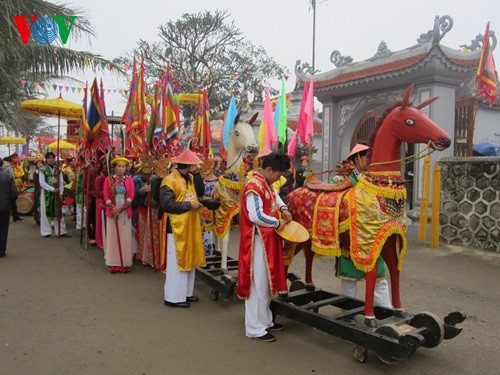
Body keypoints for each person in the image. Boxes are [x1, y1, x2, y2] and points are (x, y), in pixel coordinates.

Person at [237, 152, 292, 342]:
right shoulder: (253, 185)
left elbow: (276, 198)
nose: (280, 178)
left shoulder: (265, 183)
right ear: (269, 170)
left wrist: (284, 209)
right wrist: (277, 223)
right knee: (257, 284)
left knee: (267, 284)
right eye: (278, 174)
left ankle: (265, 321)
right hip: (257, 242)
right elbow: (255, 215)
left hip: (268, 240)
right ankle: (254, 328)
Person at [332, 144, 392, 314]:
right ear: (357, 158)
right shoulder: (342, 181)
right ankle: (348, 313)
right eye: (366, 157)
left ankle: (387, 313)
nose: (370, 160)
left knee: (380, 278)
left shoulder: (375, 180)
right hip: (350, 236)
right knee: (349, 279)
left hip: (372, 236)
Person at [159, 149, 206, 308]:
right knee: (177, 263)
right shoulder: (169, 180)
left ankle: (186, 293)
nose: (196, 167)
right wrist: (189, 205)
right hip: (176, 228)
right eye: (194, 165)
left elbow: (201, 192)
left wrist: (198, 174)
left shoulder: (191, 178)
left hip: (191, 226)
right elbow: (167, 205)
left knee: (190, 260)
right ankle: (173, 298)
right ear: (188, 165)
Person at [103, 156, 135, 273]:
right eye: (119, 166)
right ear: (114, 168)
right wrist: (113, 208)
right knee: (113, 238)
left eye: (123, 166)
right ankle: (113, 263)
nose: (121, 169)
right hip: (112, 212)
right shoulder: (108, 180)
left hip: (125, 212)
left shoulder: (129, 180)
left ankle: (125, 263)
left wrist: (121, 208)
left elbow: (131, 195)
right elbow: (106, 195)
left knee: (125, 237)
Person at [38, 152, 71, 238]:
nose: (51, 159)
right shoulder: (42, 170)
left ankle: (61, 231)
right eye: (49, 158)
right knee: (45, 212)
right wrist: (52, 189)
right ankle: (46, 232)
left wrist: (61, 192)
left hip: (57, 194)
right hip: (46, 194)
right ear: (46, 159)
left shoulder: (58, 169)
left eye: (53, 157)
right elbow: (41, 182)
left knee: (59, 212)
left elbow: (60, 181)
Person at [0, 158, 18, 258]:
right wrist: (10, 203)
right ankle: (2, 251)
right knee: (3, 229)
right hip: (4, 207)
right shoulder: (8, 174)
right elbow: (14, 193)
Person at [9, 153, 24, 222]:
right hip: (12, 185)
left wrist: (18, 175)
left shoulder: (19, 165)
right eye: (14, 158)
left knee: (14, 200)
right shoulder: (9, 166)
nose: (16, 159)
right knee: (13, 200)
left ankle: (15, 215)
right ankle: (15, 215)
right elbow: (13, 175)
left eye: (16, 158)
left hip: (18, 184)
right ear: (11, 159)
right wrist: (18, 175)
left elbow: (22, 173)